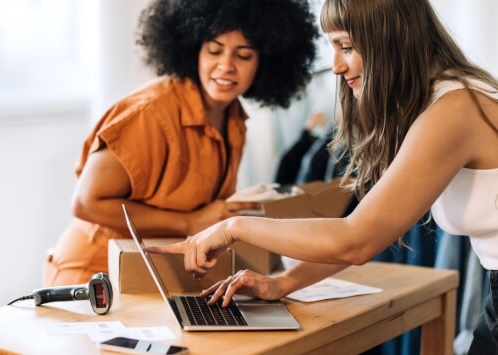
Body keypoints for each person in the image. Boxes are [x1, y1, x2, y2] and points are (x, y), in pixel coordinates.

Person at [147, 0, 498, 353]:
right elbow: (364, 228)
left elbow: (357, 240)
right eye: (332, 47)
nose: (335, 66)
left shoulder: (453, 111)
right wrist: (283, 282)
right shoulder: (443, 101)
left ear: (391, 38)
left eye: (346, 46)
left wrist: (232, 227)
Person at [42, 0, 319, 287]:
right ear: (194, 49)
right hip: (93, 276)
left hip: (151, 278)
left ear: (265, 62)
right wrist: (190, 221)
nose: (226, 66)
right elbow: (86, 203)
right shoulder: (149, 113)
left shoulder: (234, 119)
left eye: (244, 55)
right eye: (214, 50)